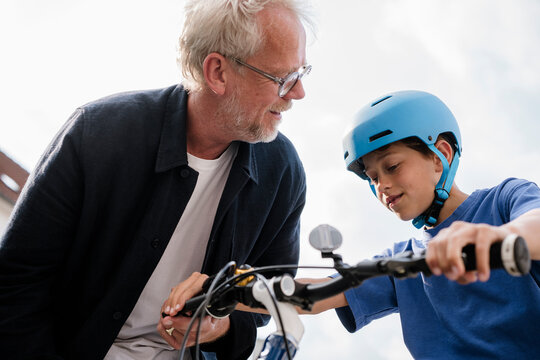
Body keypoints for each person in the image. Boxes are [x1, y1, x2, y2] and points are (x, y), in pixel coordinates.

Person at [0, 0, 314, 359]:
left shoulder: (284, 174)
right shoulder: (97, 132)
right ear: (218, 73)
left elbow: (267, 305)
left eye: (302, 72)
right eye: (283, 79)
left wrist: (220, 326)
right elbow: (17, 284)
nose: (298, 93)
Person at [164, 90, 540, 358]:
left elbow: (535, 225)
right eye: (372, 178)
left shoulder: (504, 201)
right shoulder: (403, 261)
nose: (382, 186)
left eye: (391, 167)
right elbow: (316, 295)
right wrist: (226, 286)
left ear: (440, 155)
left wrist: (496, 236)